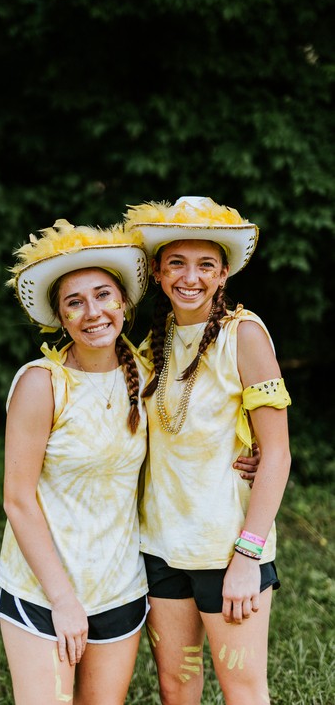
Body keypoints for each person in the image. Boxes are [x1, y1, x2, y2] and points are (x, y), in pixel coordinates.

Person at [123, 196, 292, 705]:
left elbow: (277, 453)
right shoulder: (154, 343)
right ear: (158, 271)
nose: (190, 277)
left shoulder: (245, 335)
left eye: (205, 265)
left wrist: (247, 556)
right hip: (161, 546)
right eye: (176, 263)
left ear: (223, 274)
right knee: (176, 686)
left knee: (242, 689)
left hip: (227, 548)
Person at [0, 218, 153, 704]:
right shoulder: (41, 383)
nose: (93, 312)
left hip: (119, 585)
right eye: (75, 302)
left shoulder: (147, 376)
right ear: (61, 319)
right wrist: (62, 599)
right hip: (42, 589)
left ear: (123, 304)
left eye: (103, 295)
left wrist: (250, 453)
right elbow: (17, 500)